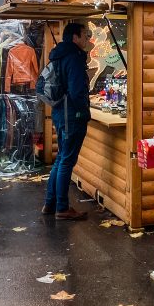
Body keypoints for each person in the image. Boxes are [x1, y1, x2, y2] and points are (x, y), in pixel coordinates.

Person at [43, 22, 93, 221]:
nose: (87, 39)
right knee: (66, 161)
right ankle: (62, 207)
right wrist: (84, 111)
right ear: (75, 37)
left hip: (60, 112)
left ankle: (50, 203)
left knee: (61, 158)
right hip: (71, 115)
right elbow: (76, 91)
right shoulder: (73, 58)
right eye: (84, 35)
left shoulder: (59, 55)